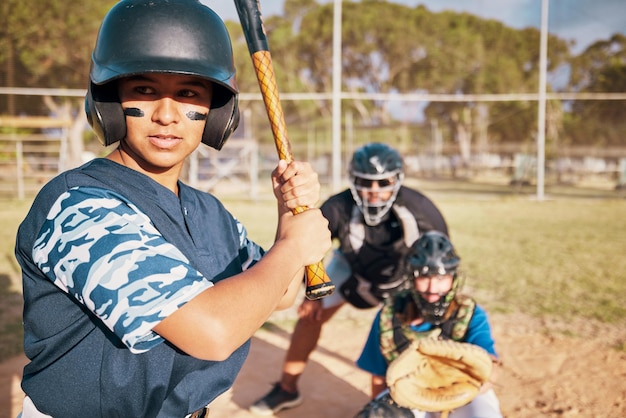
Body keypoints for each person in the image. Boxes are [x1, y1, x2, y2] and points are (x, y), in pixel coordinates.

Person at [14, 1, 331, 417]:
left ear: (215, 114)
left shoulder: (208, 211)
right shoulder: (78, 206)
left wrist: (289, 213)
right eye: (145, 90)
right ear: (110, 102)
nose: (167, 115)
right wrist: (294, 248)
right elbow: (212, 333)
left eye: (188, 94)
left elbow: (280, 293)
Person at [250, 142, 449, 415]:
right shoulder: (340, 205)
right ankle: (287, 388)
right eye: (366, 183)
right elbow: (309, 242)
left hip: (403, 276)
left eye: (383, 183)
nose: (374, 191)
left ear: (398, 180)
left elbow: (441, 259)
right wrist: (313, 293)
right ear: (353, 181)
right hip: (351, 268)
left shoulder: (420, 209)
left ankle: (391, 398)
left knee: (395, 332)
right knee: (310, 317)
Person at [354, 231, 502, 418]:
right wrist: (380, 409)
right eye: (424, 278)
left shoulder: (470, 314)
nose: (433, 289)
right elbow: (379, 378)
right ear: (411, 279)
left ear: (453, 278)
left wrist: (479, 380)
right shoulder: (390, 316)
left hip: (462, 394)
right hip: (410, 397)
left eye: (441, 278)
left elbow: (492, 365)